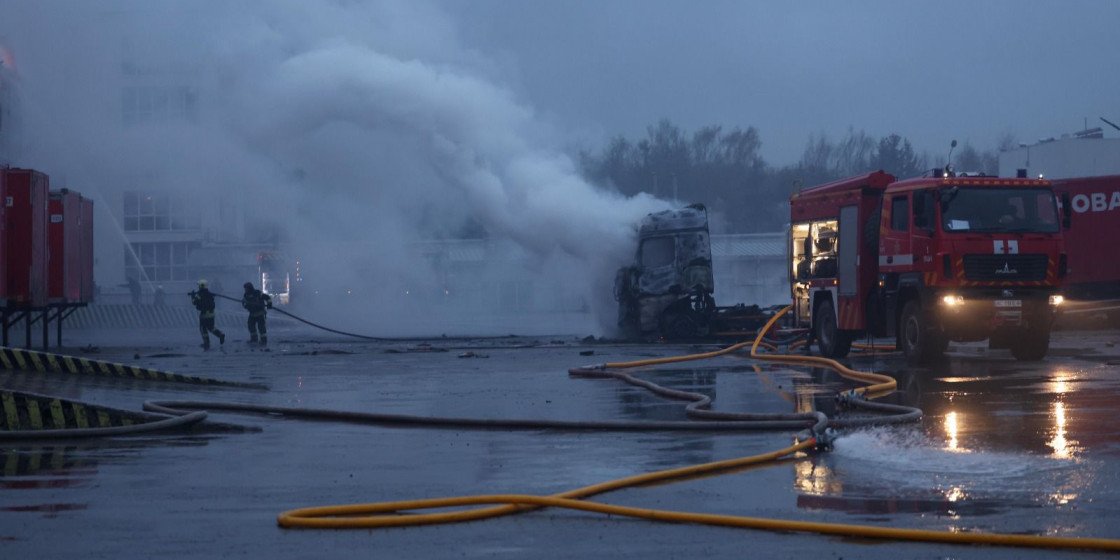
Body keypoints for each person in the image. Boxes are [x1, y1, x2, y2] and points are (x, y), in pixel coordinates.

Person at [190, 279, 225, 350]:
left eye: (199, 285)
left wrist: (192, 296)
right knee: (211, 327)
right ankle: (220, 334)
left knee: (203, 328)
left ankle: (206, 342)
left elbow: (194, 302)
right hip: (212, 314)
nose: (198, 287)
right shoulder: (209, 294)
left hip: (204, 315)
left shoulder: (199, 294)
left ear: (201, 286)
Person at [241, 281, 272, 346]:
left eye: (246, 288)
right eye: (245, 288)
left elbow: (267, 297)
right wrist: (246, 305)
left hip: (260, 313)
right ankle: (254, 339)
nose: (245, 290)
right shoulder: (246, 295)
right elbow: (244, 304)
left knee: (261, 327)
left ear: (250, 288)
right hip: (252, 314)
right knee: (250, 326)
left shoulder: (257, 293)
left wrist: (269, 304)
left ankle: (263, 340)